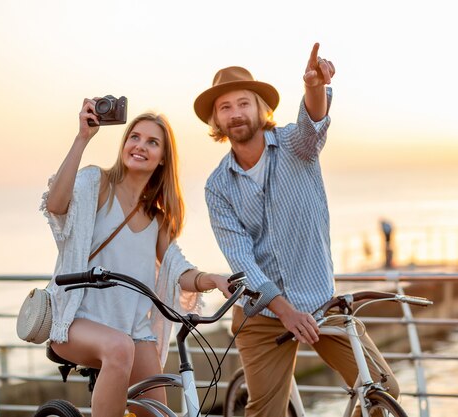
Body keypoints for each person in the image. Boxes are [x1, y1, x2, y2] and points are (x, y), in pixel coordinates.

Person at [195, 43, 400, 417]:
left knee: (383, 392)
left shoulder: (294, 145)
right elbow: (242, 261)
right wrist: (284, 310)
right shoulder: (217, 187)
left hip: (320, 302)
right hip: (261, 315)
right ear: (217, 123)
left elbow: (313, 126)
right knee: (266, 412)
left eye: (243, 103)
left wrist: (313, 87)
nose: (235, 113)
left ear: (261, 109)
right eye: (225, 108)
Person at [41, 99, 232, 417]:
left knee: (157, 411)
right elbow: (56, 205)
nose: (140, 146)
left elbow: (177, 268)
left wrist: (211, 279)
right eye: (135, 137)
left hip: (133, 330)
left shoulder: (158, 220)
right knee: (119, 347)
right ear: (124, 143)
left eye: (152, 142)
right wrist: (82, 138)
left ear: (161, 159)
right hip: (75, 321)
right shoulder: (97, 184)